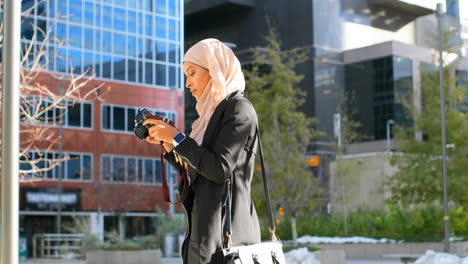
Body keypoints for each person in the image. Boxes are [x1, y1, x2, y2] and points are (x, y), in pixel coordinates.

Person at [143, 38, 261, 264]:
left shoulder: (239, 108)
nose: (187, 83)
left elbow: (219, 168)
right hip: (203, 235)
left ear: (214, 69)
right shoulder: (204, 121)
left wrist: (177, 137)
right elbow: (197, 170)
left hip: (227, 238)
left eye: (192, 73)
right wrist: (169, 144)